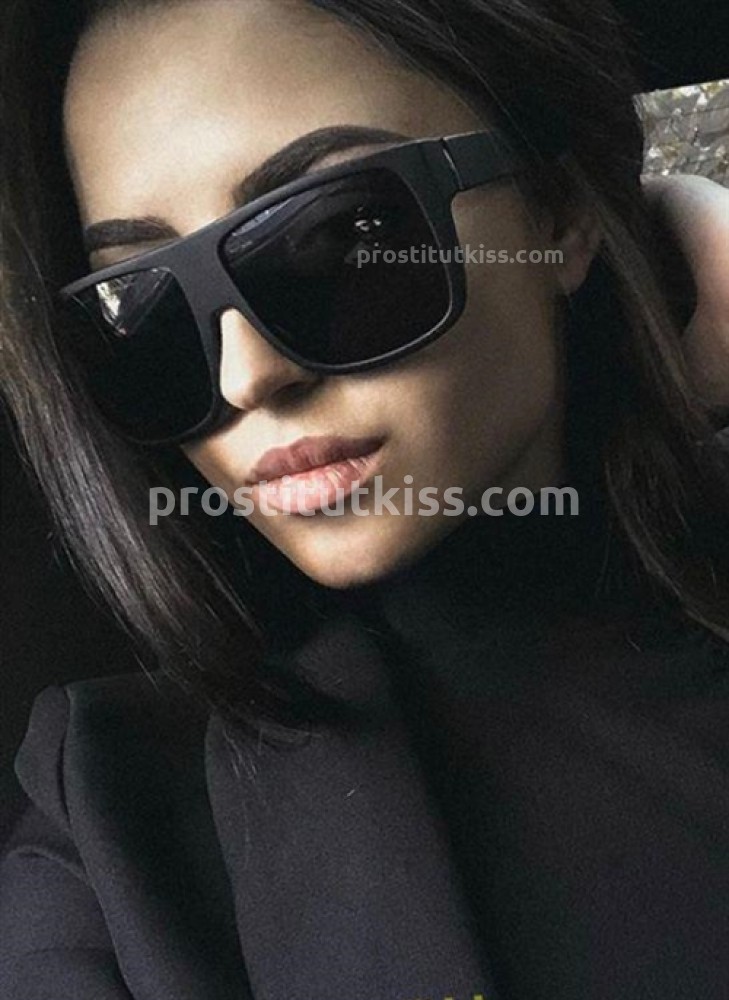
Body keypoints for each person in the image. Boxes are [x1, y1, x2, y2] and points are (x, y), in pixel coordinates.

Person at [1, 1, 729, 998]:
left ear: (557, 210)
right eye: (141, 307)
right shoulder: (109, 814)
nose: (247, 374)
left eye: (337, 234)